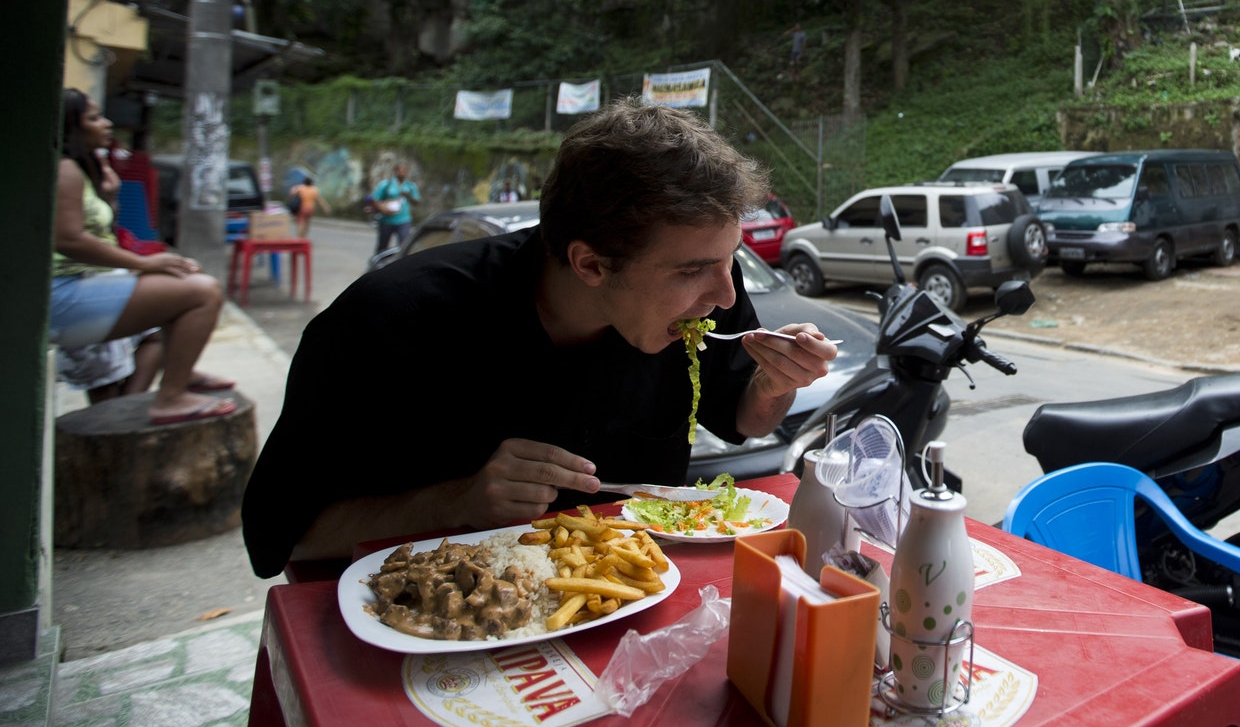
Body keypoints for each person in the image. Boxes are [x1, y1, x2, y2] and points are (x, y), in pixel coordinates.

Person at [241, 100, 838, 577]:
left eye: (729, 259)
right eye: (692, 271)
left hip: (639, 599)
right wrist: (457, 503)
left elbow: (746, 419)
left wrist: (774, 384)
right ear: (591, 264)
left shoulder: (704, 293)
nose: (726, 296)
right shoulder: (391, 321)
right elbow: (279, 539)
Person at [50, 90, 237, 424]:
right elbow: (68, 240)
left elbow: (93, 230)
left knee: (179, 283)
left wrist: (109, 196)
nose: (106, 123)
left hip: (83, 282)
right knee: (204, 292)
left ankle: (168, 383)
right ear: (71, 127)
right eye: (94, 118)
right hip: (63, 292)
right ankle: (170, 397)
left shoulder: (81, 170)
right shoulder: (65, 170)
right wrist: (142, 263)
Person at [369, 162, 421, 254]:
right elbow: (374, 199)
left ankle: (400, 261)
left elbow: (417, 202)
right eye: (400, 171)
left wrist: (408, 196)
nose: (402, 173)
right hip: (387, 220)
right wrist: (382, 208)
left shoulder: (410, 186)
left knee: (403, 245)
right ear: (395, 172)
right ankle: (380, 260)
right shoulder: (386, 184)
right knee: (382, 246)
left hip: (403, 220)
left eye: (404, 171)